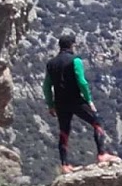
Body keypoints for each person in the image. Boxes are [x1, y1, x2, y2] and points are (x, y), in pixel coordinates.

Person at [43, 34, 117, 173]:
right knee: (97, 122)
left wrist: (50, 104)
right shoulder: (75, 60)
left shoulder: (51, 63)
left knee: (64, 131)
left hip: (60, 102)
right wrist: (88, 100)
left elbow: (46, 86)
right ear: (72, 45)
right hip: (75, 100)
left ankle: (65, 165)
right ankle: (102, 154)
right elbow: (81, 81)